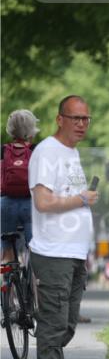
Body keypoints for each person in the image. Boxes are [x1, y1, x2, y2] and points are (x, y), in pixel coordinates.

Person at [28, 95, 99, 359]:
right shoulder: (47, 153)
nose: (81, 124)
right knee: (53, 320)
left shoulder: (72, 154)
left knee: (67, 323)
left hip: (74, 252)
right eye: (75, 118)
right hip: (53, 251)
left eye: (86, 119)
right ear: (60, 119)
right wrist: (82, 199)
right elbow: (43, 202)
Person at [1, 109, 40, 264]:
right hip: (31, 205)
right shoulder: (37, 150)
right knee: (36, 253)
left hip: (5, 205)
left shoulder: (2, 150)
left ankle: (7, 284)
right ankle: (35, 285)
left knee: (7, 255)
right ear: (31, 131)